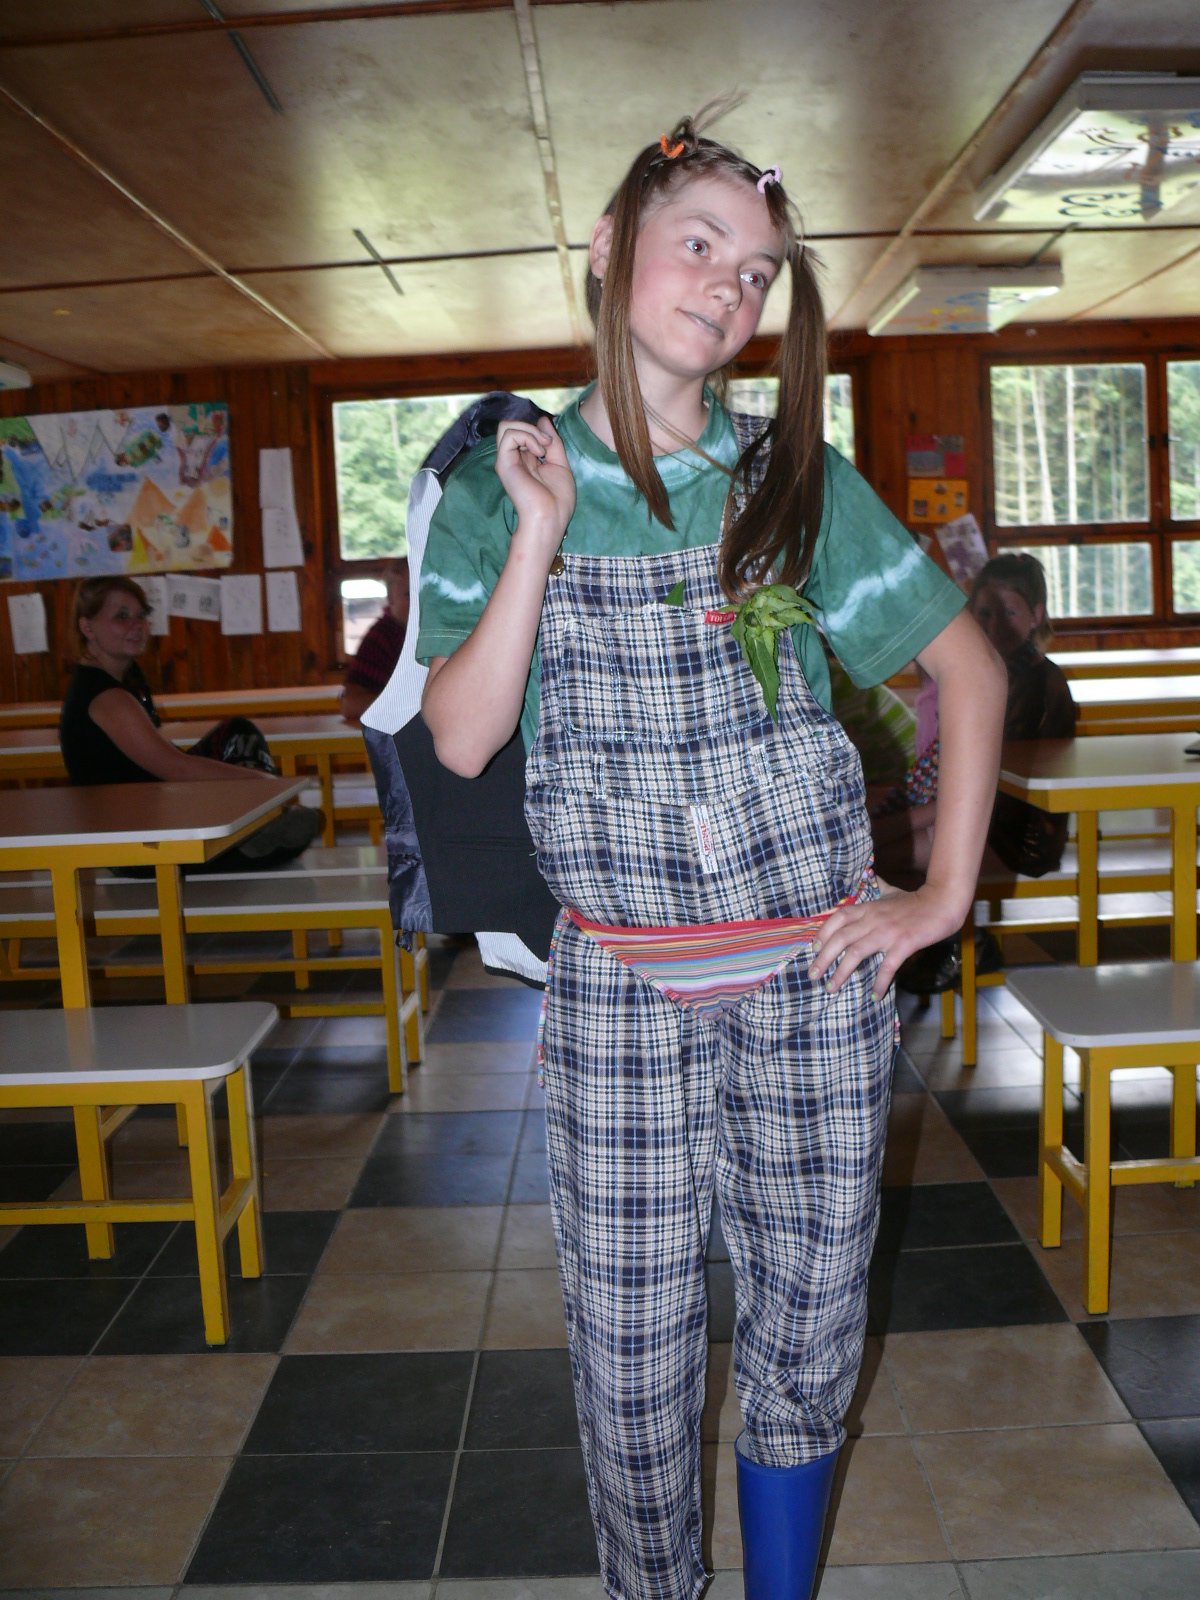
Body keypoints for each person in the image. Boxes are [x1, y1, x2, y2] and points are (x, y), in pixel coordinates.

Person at [417, 112, 1006, 1600]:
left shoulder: (789, 479)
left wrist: (939, 897)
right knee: (630, 1354)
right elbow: (465, 741)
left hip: (815, 975)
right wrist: (539, 536)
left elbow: (971, 667)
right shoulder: (500, 483)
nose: (732, 291)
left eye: (758, 274)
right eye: (701, 247)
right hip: (622, 984)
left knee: (808, 1324)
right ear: (609, 247)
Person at [880, 552, 1077, 992]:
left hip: (1016, 835)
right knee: (875, 848)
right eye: (984, 614)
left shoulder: (1033, 683)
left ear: (1036, 616)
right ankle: (946, 944)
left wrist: (892, 825)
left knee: (876, 853)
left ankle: (956, 946)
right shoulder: (994, 673)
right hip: (984, 819)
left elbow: (975, 792)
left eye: (1010, 612)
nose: (995, 626)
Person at [60, 575, 322, 870]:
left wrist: (256, 787)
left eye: (141, 614)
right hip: (142, 848)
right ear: (87, 627)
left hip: (152, 816)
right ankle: (253, 830)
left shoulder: (105, 684)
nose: (137, 624)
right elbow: (175, 768)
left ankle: (254, 827)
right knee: (296, 832)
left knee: (238, 732)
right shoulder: (107, 698)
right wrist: (266, 784)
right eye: (121, 616)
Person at [339, 559, 410, 725]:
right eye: (408, 594)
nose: (420, 600)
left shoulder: (443, 633)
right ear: (390, 599)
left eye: (426, 592)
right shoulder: (382, 637)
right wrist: (409, 706)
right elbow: (350, 704)